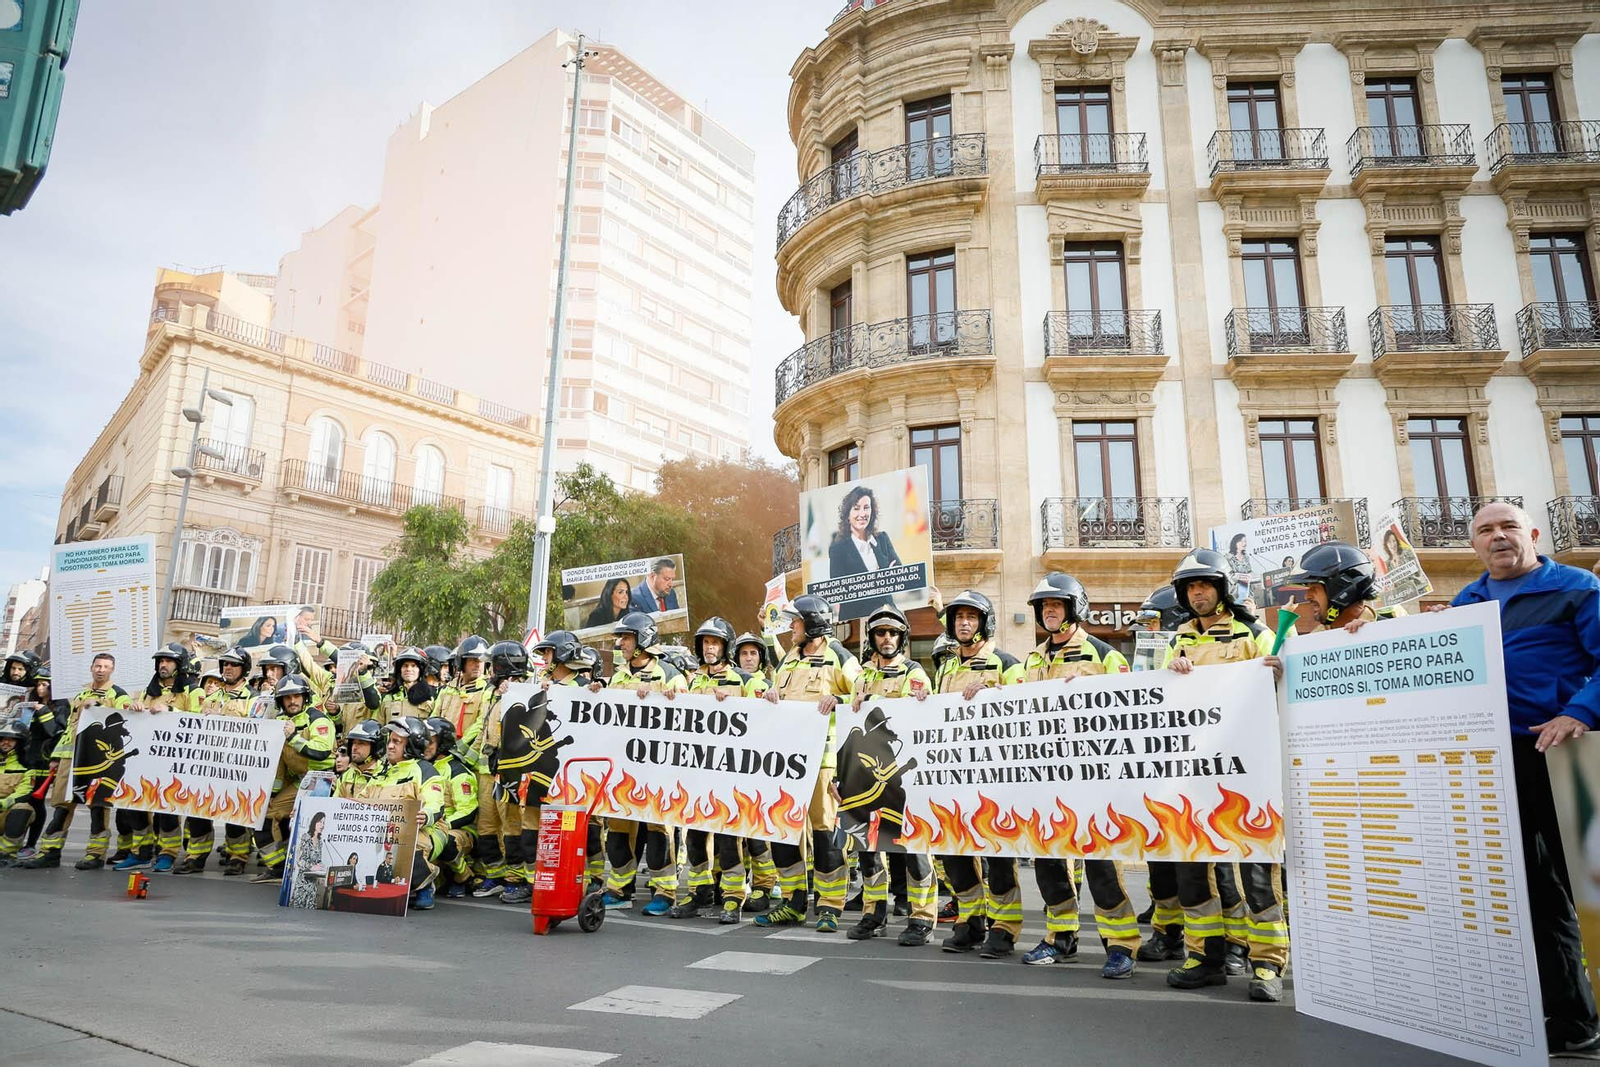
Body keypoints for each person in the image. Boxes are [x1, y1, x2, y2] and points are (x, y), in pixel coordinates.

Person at [1446, 502, 1600, 1054]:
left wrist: (1579, 710)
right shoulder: (1467, 602)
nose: (1498, 537)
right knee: (1533, 892)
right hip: (1494, 762)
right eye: (1486, 530)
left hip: (1563, 756)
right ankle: (1571, 1019)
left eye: (1509, 526)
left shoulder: (1577, 588)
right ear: (1475, 546)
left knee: (1587, 888)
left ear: (1532, 534)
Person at [1161, 548, 1286, 1002]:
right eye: (1191, 587)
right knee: (1194, 870)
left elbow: (1281, 684)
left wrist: (1277, 672)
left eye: (1205, 585)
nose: (1198, 593)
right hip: (1191, 773)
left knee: (1255, 869)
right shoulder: (1178, 640)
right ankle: (1204, 957)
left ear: (1222, 589)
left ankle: (1268, 963)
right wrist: (1168, 674)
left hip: (1248, 771)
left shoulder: (1255, 633)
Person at [1018, 572, 1143, 978]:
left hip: (1093, 781)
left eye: (1056, 605)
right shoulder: (1033, 659)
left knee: (1102, 865)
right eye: (1043, 606)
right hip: (1043, 779)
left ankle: (1121, 944)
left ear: (1075, 609)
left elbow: (1130, 709)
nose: (1049, 611)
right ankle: (1060, 936)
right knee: (1048, 864)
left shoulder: (1105, 655)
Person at [756, 594, 860, 933]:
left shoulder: (839, 657)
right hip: (786, 763)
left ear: (814, 623)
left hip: (824, 764)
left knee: (825, 833)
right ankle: (793, 902)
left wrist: (841, 699)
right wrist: (770, 696)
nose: (791, 628)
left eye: (796, 622)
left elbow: (864, 697)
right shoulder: (788, 661)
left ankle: (829, 907)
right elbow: (777, 696)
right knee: (783, 832)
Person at [930, 589, 1024, 956]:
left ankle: (1004, 927)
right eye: (958, 618)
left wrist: (993, 690)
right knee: (955, 854)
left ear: (984, 622)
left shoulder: (1006, 662)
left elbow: (1027, 704)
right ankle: (970, 921)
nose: (964, 623)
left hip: (994, 777)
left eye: (971, 617)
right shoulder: (946, 667)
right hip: (953, 775)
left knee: (998, 855)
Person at [841, 603, 935, 944]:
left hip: (902, 783)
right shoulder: (862, 677)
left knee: (912, 852)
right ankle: (873, 914)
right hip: (865, 782)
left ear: (903, 637)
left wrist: (924, 699)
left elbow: (922, 722)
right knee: (868, 851)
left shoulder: (915, 673)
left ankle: (922, 918)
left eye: (893, 632)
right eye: (880, 632)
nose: (887, 638)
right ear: (872, 638)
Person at [590, 612, 687, 913]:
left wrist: (670, 697)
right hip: (621, 769)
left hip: (658, 769)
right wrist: (595, 694)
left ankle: (665, 891)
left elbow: (690, 718)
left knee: (659, 830)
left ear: (643, 639)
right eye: (620, 638)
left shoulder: (670, 674)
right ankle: (619, 889)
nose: (620, 643)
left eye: (626, 638)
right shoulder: (618, 676)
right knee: (618, 829)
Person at [670, 617, 763, 921]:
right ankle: (699, 892)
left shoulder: (745, 681)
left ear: (726, 646)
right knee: (694, 836)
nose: (709, 648)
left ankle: (734, 897)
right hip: (697, 773)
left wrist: (732, 705)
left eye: (715, 643)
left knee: (728, 839)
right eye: (705, 643)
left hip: (732, 774)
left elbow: (767, 719)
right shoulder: (694, 681)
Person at [20, 652, 130, 870]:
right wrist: (56, 757)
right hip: (69, 758)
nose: (101, 670)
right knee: (62, 805)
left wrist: (98, 706)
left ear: (112, 670)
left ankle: (95, 855)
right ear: (91, 667)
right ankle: (50, 852)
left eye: (106, 666)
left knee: (97, 806)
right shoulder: (81, 693)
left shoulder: (119, 694)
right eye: (97, 665)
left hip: (98, 761)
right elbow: (70, 729)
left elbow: (124, 722)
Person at [114, 642, 203, 874]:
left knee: (167, 809)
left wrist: (171, 713)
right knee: (136, 805)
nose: (163, 665)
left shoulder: (193, 691)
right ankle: (140, 852)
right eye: (160, 661)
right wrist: (135, 709)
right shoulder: (149, 691)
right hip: (145, 759)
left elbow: (200, 722)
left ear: (180, 664)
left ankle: (167, 853)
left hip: (175, 759)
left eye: (168, 661)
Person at [461, 641, 530, 902]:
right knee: (487, 826)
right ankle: (496, 875)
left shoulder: (524, 691)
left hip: (510, 772)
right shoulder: (493, 692)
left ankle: (515, 878)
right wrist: (459, 753)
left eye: (493, 665)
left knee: (512, 827)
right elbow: (483, 727)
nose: (488, 670)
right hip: (486, 771)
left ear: (504, 666)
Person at [250, 674, 335, 885]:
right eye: (287, 698)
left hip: (324, 782)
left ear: (305, 697)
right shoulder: (279, 721)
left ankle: (305, 869)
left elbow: (321, 752)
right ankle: (278, 867)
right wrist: (273, 793)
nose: (292, 701)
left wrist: (293, 737)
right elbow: (278, 762)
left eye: (297, 696)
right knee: (267, 814)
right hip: (298, 782)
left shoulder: (318, 719)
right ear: (280, 701)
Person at [180, 646, 257, 875]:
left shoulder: (253, 699)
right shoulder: (212, 696)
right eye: (225, 664)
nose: (228, 668)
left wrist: (223, 720)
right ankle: (196, 856)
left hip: (237, 765)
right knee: (199, 812)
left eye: (233, 664)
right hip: (207, 764)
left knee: (235, 814)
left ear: (244, 668)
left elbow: (259, 731)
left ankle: (237, 856)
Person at [423, 716, 478, 899]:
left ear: (444, 743)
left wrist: (440, 825)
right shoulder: (420, 768)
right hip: (426, 825)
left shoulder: (458, 771)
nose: (425, 746)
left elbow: (468, 812)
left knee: (446, 842)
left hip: (458, 830)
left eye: (430, 742)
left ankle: (462, 875)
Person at [0, 721, 41, 866]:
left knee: (23, 809)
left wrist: (5, 803)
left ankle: (6, 853)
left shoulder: (26, 766)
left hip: (5, 811)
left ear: (20, 742)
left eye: (10, 739)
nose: (5, 742)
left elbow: (25, 791)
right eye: (2, 739)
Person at [380, 647, 436, 719]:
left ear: (420, 670)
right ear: (400, 670)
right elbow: (378, 724)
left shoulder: (432, 695)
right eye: (405, 666)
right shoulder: (387, 696)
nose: (409, 669)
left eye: (413, 666)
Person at [289, 811, 326, 910]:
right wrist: (312, 867)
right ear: (314, 822)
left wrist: (320, 865)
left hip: (313, 885)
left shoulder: (320, 843)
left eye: (324, 823)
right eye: (320, 822)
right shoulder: (306, 837)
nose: (322, 825)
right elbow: (300, 860)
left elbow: (317, 860)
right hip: (302, 883)